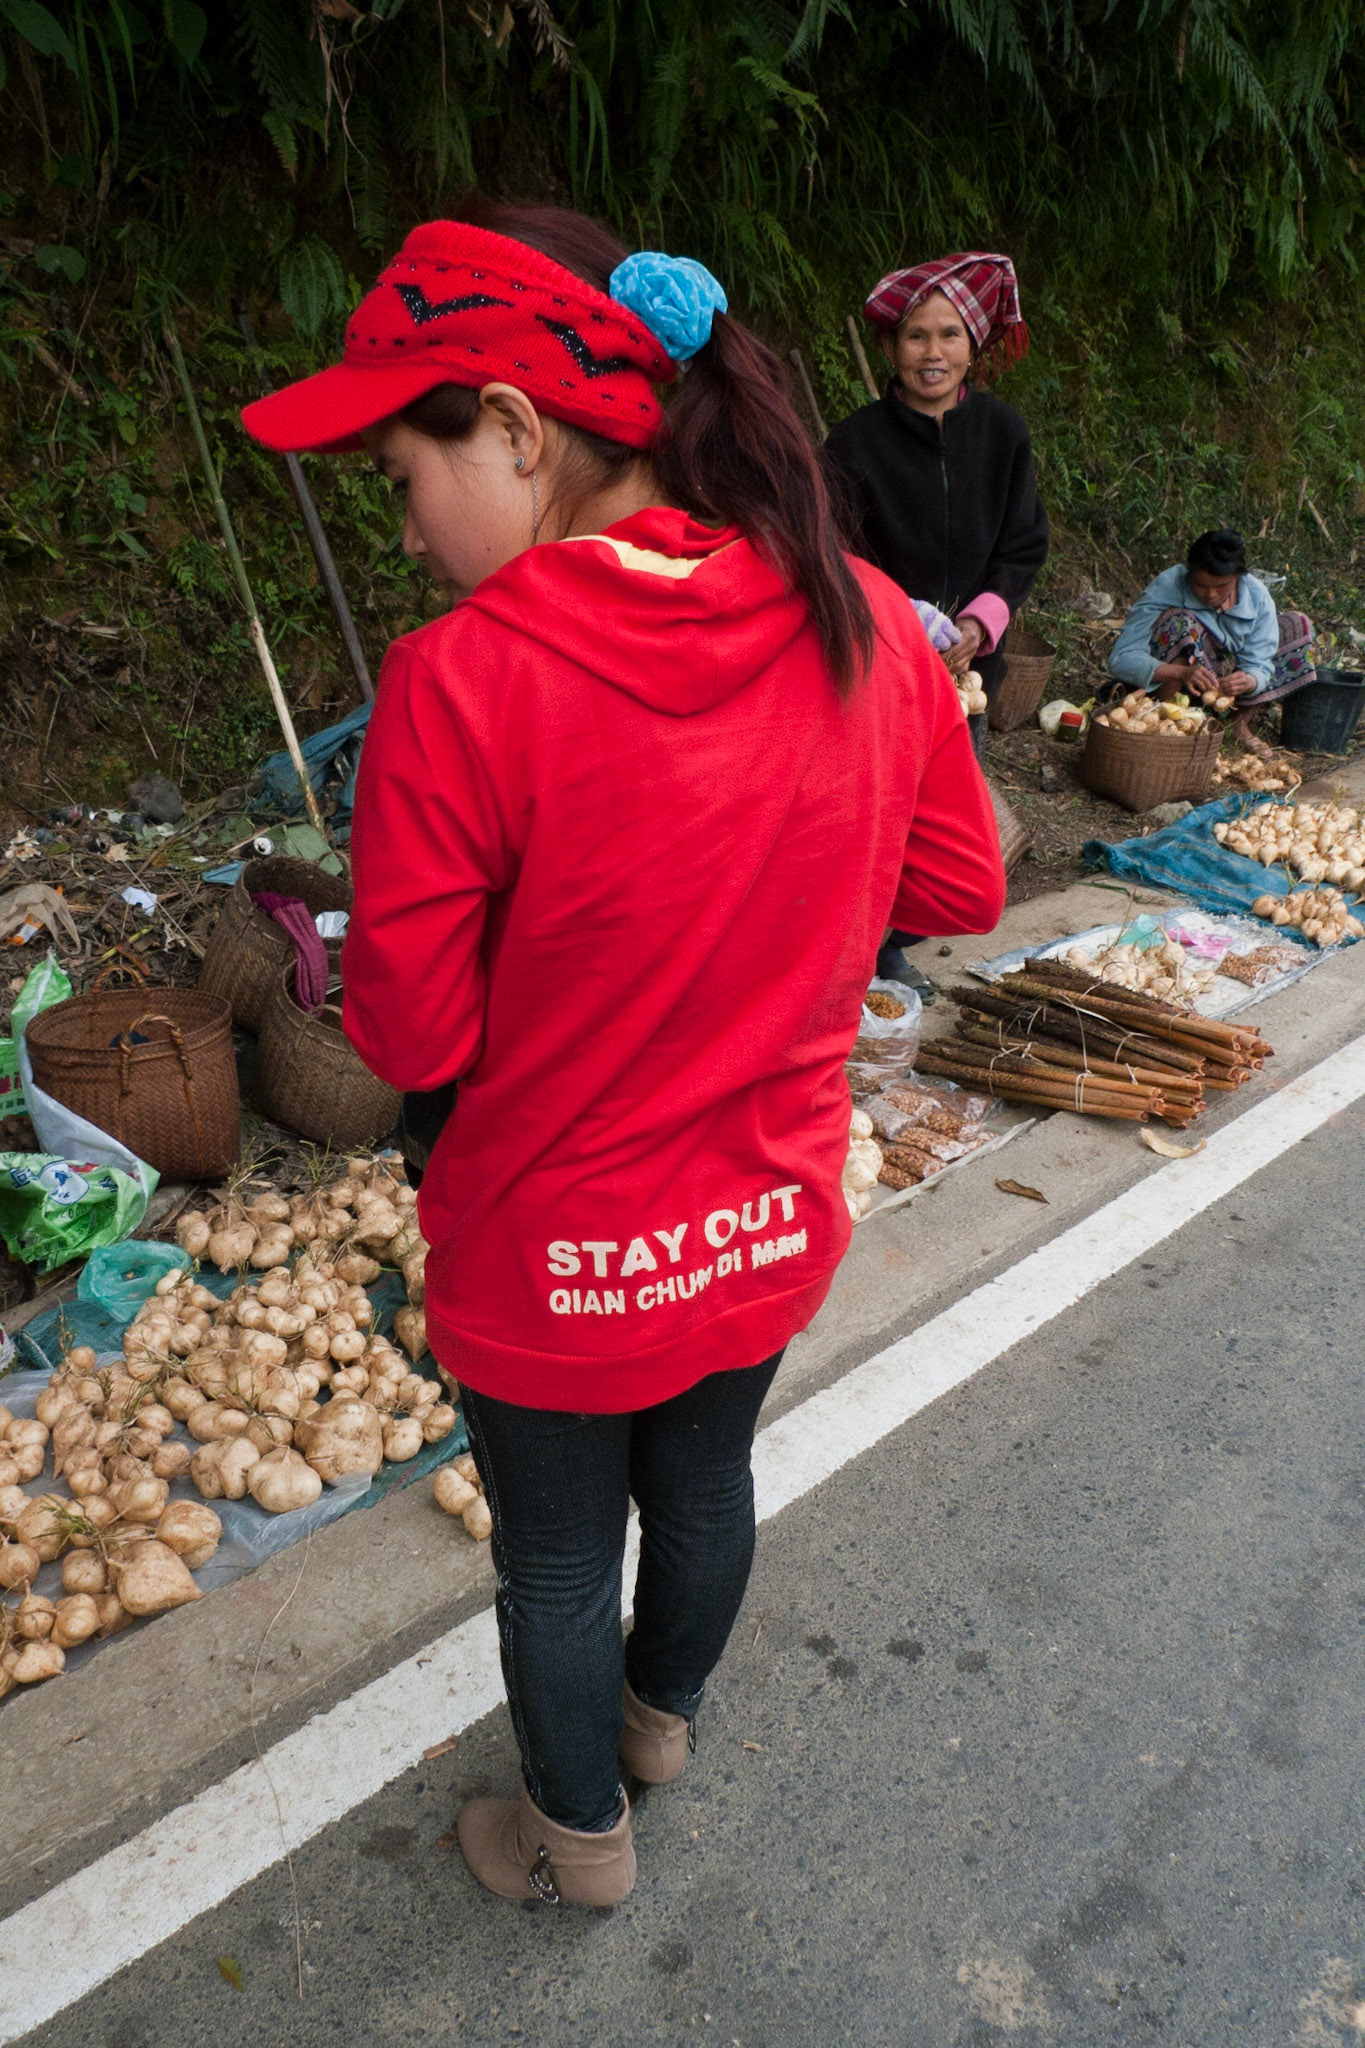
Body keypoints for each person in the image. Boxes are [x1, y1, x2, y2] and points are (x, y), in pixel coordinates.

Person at [242, 203, 1006, 1910]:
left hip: (552, 1248)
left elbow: (414, 1034)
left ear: (516, 429)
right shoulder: (863, 613)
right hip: (763, 1213)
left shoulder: (460, 684)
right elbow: (958, 878)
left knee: (563, 1547)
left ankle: (571, 1833)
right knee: (709, 1475)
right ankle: (657, 1726)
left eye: (405, 476)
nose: (412, 526)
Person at [824, 252, 1047, 995]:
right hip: (880, 661)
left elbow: (1021, 546)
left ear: (972, 349)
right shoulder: (853, 446)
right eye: (916, 336)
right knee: (874, 821)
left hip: (968, 677)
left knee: (950, 834)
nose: (932, 352)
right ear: (892, 348)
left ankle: (891, 937)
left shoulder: (1002, 435)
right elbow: (834, 552)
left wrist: (982, 626)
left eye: (949, 335)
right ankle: (864, 956)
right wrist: (903, 619)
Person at [1106, 528, 1315, 755]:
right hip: (1177, 682)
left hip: (1225, 691)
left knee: (1296, 624)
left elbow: (1261, 663)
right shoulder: (1169, 585)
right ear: (1189, 574)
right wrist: (1179, 673)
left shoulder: (1257, 595)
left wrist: (1249, 680)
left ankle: (1238, 724)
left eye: (1222, 586)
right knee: (1178, 621)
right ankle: (1172, 723)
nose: (1211, 595)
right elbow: (1121, 658)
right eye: (1201, 585)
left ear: (1238, 577)